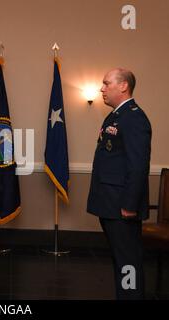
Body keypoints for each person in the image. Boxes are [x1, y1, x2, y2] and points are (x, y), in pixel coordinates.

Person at [87, 68, 152, 299]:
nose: (102, 89)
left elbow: (138, 166)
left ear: (123, 86)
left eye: (106, 83)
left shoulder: (133, 117)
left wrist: (130, 205)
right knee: (121, 259)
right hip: (111, 204)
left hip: (122, 206)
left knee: (128, 262)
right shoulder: (115, 116)